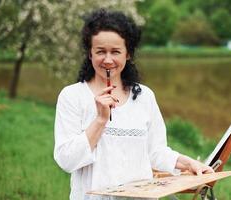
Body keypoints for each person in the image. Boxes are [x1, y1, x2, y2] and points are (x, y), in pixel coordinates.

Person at [54, 8, 213, 200]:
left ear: (128, 54)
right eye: (100, 51)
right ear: (90, 53)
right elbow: (66, 160)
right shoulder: (72, 96)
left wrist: (189, 164)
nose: (108, 59)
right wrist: (100, 120)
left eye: (116, 52)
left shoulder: (145, 97)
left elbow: (156, 151)